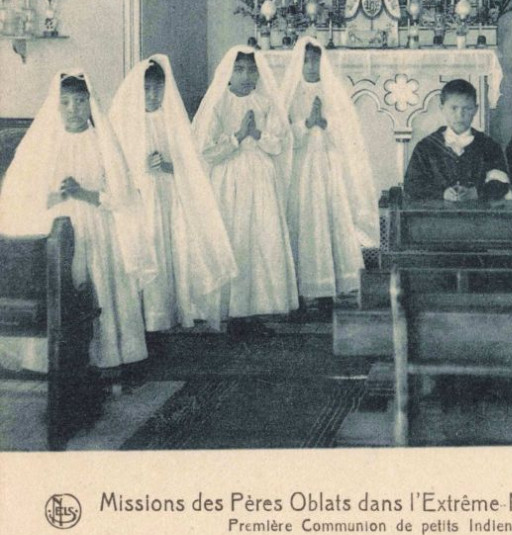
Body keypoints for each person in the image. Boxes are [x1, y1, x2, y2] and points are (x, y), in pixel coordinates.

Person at [0, 70, 152, 372]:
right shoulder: (43, 145)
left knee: (95, 281)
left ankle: (103, 350)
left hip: (95, 222)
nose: (73, 109)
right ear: (56, 106)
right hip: (53, 225)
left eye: (80, 102)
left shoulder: (102, 143)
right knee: (56, 282)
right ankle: (46, 355)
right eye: (66, 103)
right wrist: (55, 195)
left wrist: (84, 193)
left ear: (91, 104)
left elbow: (121, 195)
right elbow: (19, 196)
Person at [109, 56, 237, 332]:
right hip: (140, 200)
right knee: (147, 247)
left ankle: (166, 313)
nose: (153, 95)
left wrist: (167, 166)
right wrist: (140, 168)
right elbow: (115, 167)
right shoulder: (124, 123)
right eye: (147, 89)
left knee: (168, 249)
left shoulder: (171, 121)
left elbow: (190, 164)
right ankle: (145, 316)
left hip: (167, 196)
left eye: (158, 88)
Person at [192, 46, 298, 328]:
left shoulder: (266, 103)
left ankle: (258, 307)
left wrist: (257, 134)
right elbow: (206, 151)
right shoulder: (218, 104)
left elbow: (279, 143)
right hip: (228, 179)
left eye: (251, 69)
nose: (246, 75)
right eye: (239, 70)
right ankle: (233, 309)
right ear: (228, 72)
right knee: (235, 237)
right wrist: (238, 136)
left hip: (260, 177)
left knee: (261, 238)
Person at [281, 37, 377, 303]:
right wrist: (304, 124)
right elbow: (282, 135)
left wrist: (326, 123)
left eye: (316, 60)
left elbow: (347, 134)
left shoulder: (332, 90)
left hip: (328, 162)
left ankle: (333, 283)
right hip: (303, 165)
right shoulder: (290, 93)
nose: (312, 66)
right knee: (306, 219)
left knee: (330, 216)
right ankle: (305, 288)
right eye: (306, 61)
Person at [404, 78, 510, 202]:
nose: (460, 115)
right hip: (435, 217)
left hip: (478, 217)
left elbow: (502, 182)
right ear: (442, 108)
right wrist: (442, 193)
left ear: (475, 109)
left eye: (467, 108)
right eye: (453, 108)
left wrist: (476, 192)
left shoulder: (489, 146)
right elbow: (412, 184)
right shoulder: (426, 146)